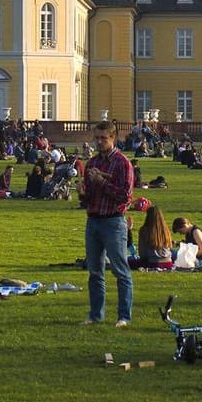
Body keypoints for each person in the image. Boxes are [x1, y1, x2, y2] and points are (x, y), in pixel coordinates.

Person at [80, 119, 135, 327]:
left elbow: (125, 197)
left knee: (120, 270)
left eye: (104, 138)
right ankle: (96, 315)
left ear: (113, 138)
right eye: (97, 138)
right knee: (94, 271)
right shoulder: (92, 163)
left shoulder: (122, 163)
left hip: (113, 221)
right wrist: (83, 193)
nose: (99, 142)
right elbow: (88, 198)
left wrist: (102, 182)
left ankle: (123, 316)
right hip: (93, 220)